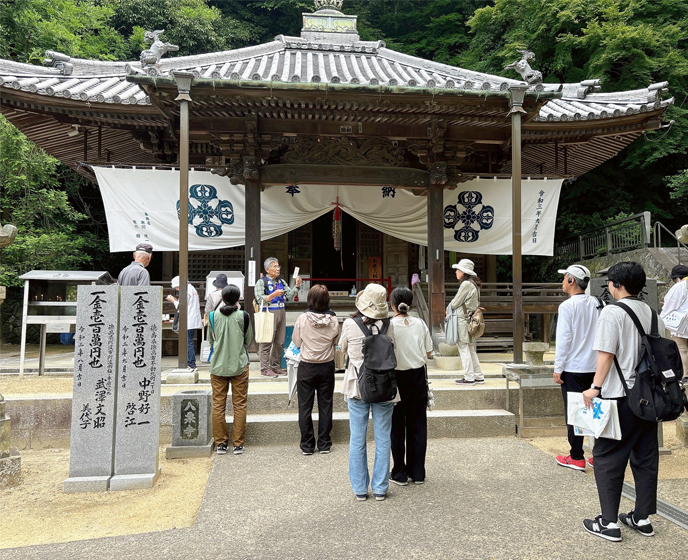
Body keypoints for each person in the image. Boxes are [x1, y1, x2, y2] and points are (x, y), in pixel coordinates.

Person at [582, 262, 664, 542]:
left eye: (610, 283)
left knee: (607, 457)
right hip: (649, 399)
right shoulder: (652, 314)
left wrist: (595, 387)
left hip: (619, 396)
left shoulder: (611, 313)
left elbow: (605, 354)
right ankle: (641, 517)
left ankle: (608, 523)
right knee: (645, 457)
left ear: (617, 286)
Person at [338, 283, 397, 502]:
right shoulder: (389, 325)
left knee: (357, 438)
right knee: (383, 438)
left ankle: (360, 489)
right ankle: (380, 488)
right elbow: (394, 351)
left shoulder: (350, 324)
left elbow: (343, 348)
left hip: (357, 385)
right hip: (384, 386)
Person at [553, 264, 599, 471]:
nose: (563, 281)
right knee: (596, 410)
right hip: (596, 367)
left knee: (575, 412)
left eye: (564, 278)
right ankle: (598, 456)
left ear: (571, 281)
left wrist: (557, 367)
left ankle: (576, 456)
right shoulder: (598, 303)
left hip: (573, 367)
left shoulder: (567, 306)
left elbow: (564, 339)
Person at [389, 286, 433, 486]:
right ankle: (418, 472)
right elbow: (429, 352)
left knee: (397, 426)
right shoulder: (420, 323)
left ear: (392, 304)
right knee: (418, 425)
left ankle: (399, 472)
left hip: (396, 379)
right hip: (417, 378)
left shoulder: (389, 326)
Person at [292, 285, 339, 455]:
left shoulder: (302, 319)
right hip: (326, 365)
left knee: (305, 406)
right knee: (325, 405)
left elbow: (296, 342)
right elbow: (336, 342)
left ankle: (307, 445)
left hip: (307, 366)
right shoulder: (333, 320)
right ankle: (324, 443)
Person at [208, 285, 252, 455]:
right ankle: (238, 444)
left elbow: (211, 341)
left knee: (218, 405)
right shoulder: (244, 316)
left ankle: (221, 444)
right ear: (238, 298)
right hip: (239, 364)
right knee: (239, 404)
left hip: (218, 365)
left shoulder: (212, 316)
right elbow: (248, 339)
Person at [254, 257, 302, 378]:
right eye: (275, 267)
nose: (278, 268)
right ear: (267, 269)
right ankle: (265, 369)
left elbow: (290, 295)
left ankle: (275, 366)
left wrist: (297, 286)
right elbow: (260, 298)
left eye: (278, 266)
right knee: (266, 341)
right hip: (268, 313)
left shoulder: (281, 281)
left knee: (279, 341)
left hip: (281, 312)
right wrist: (273, 295)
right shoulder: (262, 282)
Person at [451, 259, 484, 384]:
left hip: (462, 320)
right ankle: (478, 376)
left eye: (458, 270)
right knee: (470, 349)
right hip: (468, 319)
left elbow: (455, 302)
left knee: (463, 348)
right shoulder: (473, 284)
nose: (456, 272)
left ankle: (469, 377)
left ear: (463, 272)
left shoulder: (466, 285)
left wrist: (448, 308)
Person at [166, 276, 203, 372]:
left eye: (176, 287)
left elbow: (181, 306)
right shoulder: (191, 289)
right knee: (189, 341)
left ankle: (191, 364)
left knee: (188, 342)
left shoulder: (185, 290)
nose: (176, 289)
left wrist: (173, 300)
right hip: (192, 318)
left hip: (188, 319)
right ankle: (191, 363)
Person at [660, 264, 688, 375]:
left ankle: (685, 375)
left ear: (677, 278)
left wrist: (662, 316)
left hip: (682, 324)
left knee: (682, 349)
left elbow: (670, 303)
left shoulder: (680, 286)